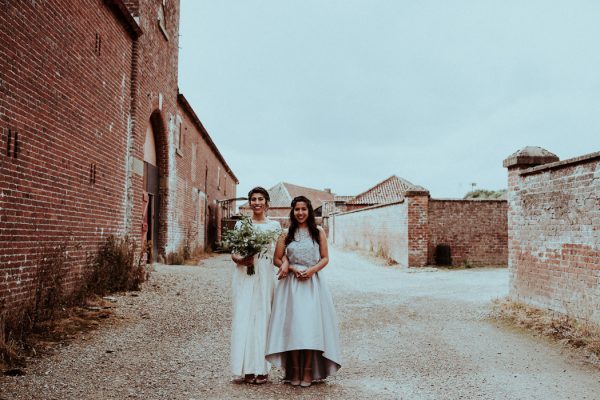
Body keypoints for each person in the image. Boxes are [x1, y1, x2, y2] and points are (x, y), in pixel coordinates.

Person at [266, 195, 342, 387]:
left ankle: (308, 372)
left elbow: (325, 258)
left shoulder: (318, 232)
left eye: (304, 209)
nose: (300, 213)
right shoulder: (285, 233)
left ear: (309, 211)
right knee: (292, 328)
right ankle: (294, 371)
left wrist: (311, 270)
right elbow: (277, 258)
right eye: (297, 209)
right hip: (290, 286)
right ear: (292, 211)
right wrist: (290, 268)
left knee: (310, 328)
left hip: (312, 285)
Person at [230, 186, 281, 384]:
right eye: (253, 199)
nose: (257, 202)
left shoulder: (275, 227)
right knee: (244, 318)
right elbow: (234, 253)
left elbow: (279, 254)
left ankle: (262, 369)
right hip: (245, 275)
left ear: (267, 202)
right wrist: (242, 260)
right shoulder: (241, 226)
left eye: (260, 199)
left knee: (263, 319)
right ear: (250, 203)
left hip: (265, 275)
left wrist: (286, 266)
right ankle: (246, 369)